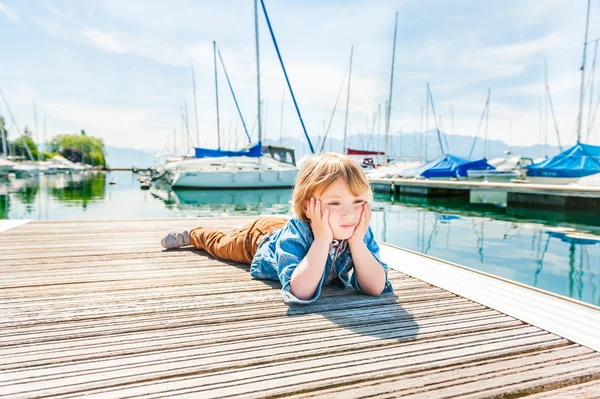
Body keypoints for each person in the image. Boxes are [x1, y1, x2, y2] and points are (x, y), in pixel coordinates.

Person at [161, 153, 393, 304]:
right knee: (221, 244)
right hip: (258, 239)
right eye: (335, 202)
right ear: (308, 207)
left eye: (358, 201)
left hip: (280, 227)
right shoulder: (298, 232)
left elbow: (375, 287)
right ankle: (194, 233)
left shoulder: (358, 231)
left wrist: (356, 242)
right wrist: (322, 239)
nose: (349, 214)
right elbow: (299, 291)